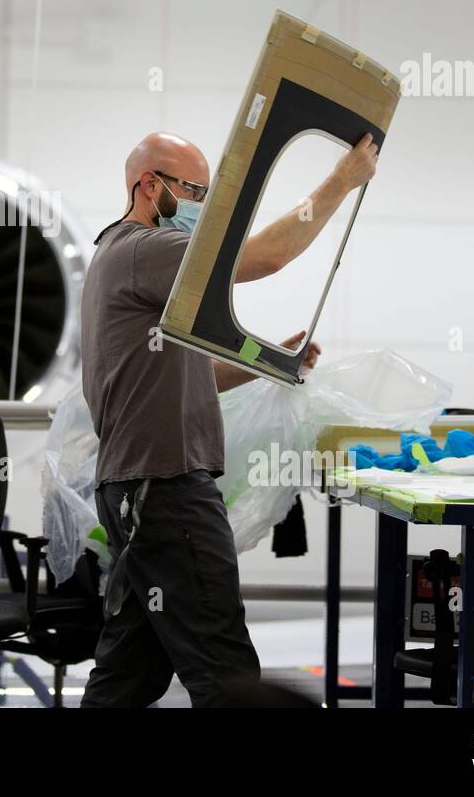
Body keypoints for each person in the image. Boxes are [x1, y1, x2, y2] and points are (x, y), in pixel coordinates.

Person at [79, 129, 379, 707]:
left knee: (130, 673)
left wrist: (270, 364)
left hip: (139, 490)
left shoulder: (126, 262)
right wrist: (344, 177)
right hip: (165, 490)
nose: (201, 205)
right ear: (149, 184)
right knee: (225, 670)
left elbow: (190, 376)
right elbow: (266, 255)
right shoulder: (147, 249)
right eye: (192, 190)